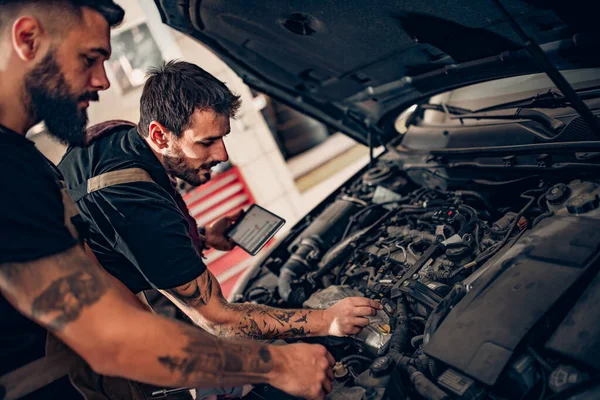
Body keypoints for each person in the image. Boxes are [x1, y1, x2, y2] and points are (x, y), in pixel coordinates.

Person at [0, 2, 337, 400]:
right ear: (27, 39)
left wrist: (200, 237)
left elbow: (104, 245)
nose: (104, 81)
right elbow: (116, 338)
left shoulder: (92, 145)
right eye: (90, 58)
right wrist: (282, 363)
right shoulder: (14, 172)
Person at [58, 60, 381, 344]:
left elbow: (122, 235)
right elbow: (218, 320)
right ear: (159, 135)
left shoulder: (111, 137)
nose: (222, 155)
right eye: (207, 142)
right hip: (82, 336)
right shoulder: (131, 202)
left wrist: (199, 236)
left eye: (222, 137)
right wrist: (327, 321)